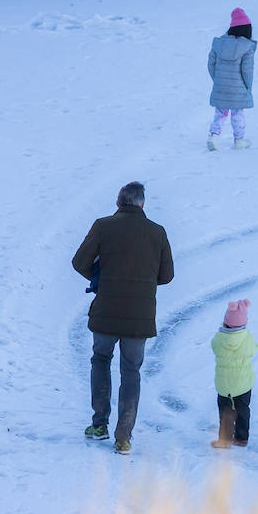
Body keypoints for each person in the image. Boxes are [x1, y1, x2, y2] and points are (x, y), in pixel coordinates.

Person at [72, 182, 175, 454]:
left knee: (101, 360)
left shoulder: (103, 226)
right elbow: (166, 276)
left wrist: (100, 277)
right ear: (143, 204)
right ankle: (124, 437)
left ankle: (99, 424)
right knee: (131, 372)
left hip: (106, 311)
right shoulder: (157, 232)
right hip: (139, 317)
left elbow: (79, 262)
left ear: (118, 203)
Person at [207, 8, 257, 151]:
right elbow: (247, 71)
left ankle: (213, 137)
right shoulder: (247, 47)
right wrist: (248, 88)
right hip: (238, 88)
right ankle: (239, 140)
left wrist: (218, 80)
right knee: (237, 114)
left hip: (221, 86)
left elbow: (211, 64)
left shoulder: (219, 43)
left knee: (220, 112)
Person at [211, 299, 256, 449]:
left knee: (226, 412)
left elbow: (214, 348)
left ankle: (225, 439)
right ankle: (242, 438)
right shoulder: (247, 337)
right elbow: (254, 349)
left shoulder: (219, 338)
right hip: (243, 385)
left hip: (224, 386)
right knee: (243, 411)